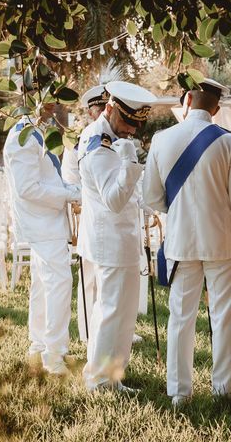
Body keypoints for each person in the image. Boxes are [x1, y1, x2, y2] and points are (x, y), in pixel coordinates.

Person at [143, 78, 231, 406]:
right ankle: (224, 390)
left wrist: (178, 213)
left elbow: (151, 197)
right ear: (216, 109)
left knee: (180, 317)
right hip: (222, 243)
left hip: (180, 242)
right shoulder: (228, 142)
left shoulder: (161, 139)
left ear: (187, 100)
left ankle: (179, 393)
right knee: (223, 317)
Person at [77, 80, 156, 392]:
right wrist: (130, 164)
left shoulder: (111, 137)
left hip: (119, 238)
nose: (131, 131)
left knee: (121, 315)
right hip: (109, 240)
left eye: (137, 124)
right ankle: (99, 380)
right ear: (110, 108)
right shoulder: (99, 145)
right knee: (112, 313)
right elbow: (113, 199)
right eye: (127, 121)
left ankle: (112, 376)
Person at [3, 101, 80, 375]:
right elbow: (27, 188)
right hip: (42, 224)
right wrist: (68, 195)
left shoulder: (35, 132)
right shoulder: (22, 136)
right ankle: (54, 355)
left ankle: (39, 346)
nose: (54, 107)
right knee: (59, 284)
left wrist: (71, 188)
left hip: (46, 223)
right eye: (49, 100)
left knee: (43, 286)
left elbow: (47, 179)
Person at [61, 84, 107, 343]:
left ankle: (113, 326)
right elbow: (71, 184)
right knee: (89, 278)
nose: (102, 113)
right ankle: (88, 330)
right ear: (91, 112)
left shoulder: (118, 140)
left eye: (105, 108)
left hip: (114, 217)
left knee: (111, 279)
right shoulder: (76, 144)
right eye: (98, 109)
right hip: (87, 217)